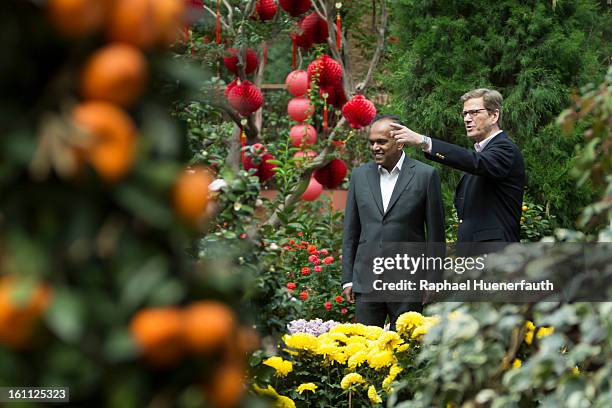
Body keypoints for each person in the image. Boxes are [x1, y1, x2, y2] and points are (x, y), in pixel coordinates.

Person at [341, 115, 445, 329]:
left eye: (381, 142)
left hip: (408, 283)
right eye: (372, 143)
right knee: (365, 353)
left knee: (406, 352)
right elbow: (351, 232)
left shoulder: (426, 176)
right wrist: (348, 279)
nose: (375, 147)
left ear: (399, 142)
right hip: (366, 282)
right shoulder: (359, 176)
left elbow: (436, 235)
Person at [391, 88, 525, 244]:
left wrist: (424, 141)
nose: (467, 119)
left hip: (495, 254)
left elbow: (475, 162)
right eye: (465, 114)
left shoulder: (505, 149)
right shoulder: (482, 154)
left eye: (474, 112)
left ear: (494, 115)